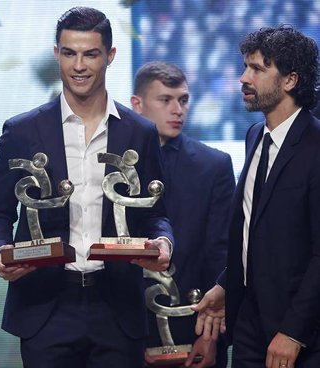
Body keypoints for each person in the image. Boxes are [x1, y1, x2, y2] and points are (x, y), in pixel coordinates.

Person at [0, 7, 174, 368]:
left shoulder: (140, 132)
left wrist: (163, 243)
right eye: (69, 53)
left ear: (110, 56)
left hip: (117, 307)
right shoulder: (21, 131)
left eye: (90, 54)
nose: (78, 65)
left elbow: (156, 212)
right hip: (45, 306)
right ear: (57, 53)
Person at [194, 25, 320, 367]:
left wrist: (294, 332)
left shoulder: (315, 146)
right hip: (249, 322)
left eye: (257, 69)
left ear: (290, 80)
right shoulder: (254, 135)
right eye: (245, 67)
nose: (243, 78)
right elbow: (254, 229)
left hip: (301, 335)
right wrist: (225, 285)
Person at [131, 62, 235, 367]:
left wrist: (212, 336)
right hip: (122, 328)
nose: (178, 110)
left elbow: (221, 254)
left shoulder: (213, 165)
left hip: (194, 323)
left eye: (184, 100)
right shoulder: (111, 165)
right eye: (165, 100)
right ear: (137, 104)